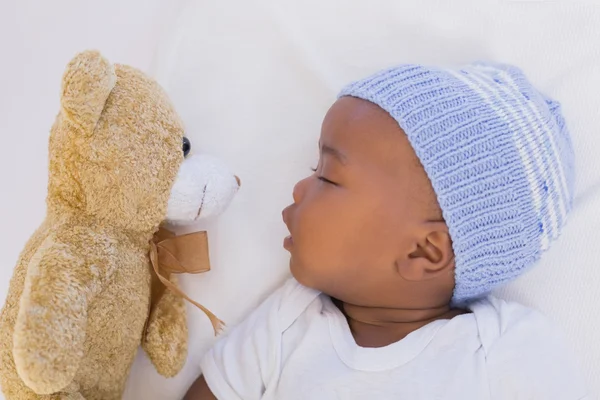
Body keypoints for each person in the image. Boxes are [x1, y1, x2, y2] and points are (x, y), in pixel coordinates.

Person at [184, 62, 589, 399]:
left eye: (326, 176)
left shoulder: (504, 349)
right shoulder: (288, 322)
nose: (299, 187)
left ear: (423, 252)